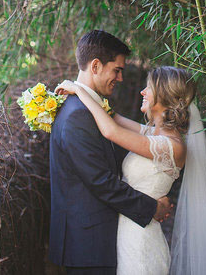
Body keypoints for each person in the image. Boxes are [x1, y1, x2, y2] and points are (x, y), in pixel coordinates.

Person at [57, 64, 206, 275]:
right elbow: (111, 117)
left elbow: (111, 131)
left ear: (165, 95)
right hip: (129, 232)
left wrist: (80, 91)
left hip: (141, 243)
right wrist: (80, 89)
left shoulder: (172, 146)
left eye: (148, 88)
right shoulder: (151, 133)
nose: (142, 92)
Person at [48, 30, 172, 275]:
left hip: (93, 242)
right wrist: (151, 208)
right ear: (95, 66)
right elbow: (101, 181)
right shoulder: (77, 115)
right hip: (89, 246)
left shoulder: (85, 109)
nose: (121, 78)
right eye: (117, 70)